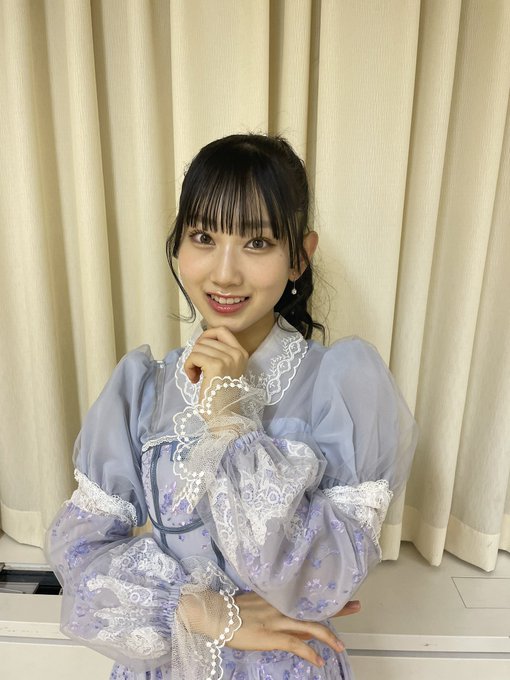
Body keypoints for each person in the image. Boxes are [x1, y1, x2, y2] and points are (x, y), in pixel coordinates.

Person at [45, 133, 418, 680]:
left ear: (299, 257)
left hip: (289, 667)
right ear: (178, 246)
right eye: (203, 237)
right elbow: (80, 558)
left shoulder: (340, 386)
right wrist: (206, 612)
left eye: (257, 242)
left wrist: (230, 419)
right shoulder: (142, 391)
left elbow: (328, 578)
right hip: (170, 664)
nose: (224, 273)